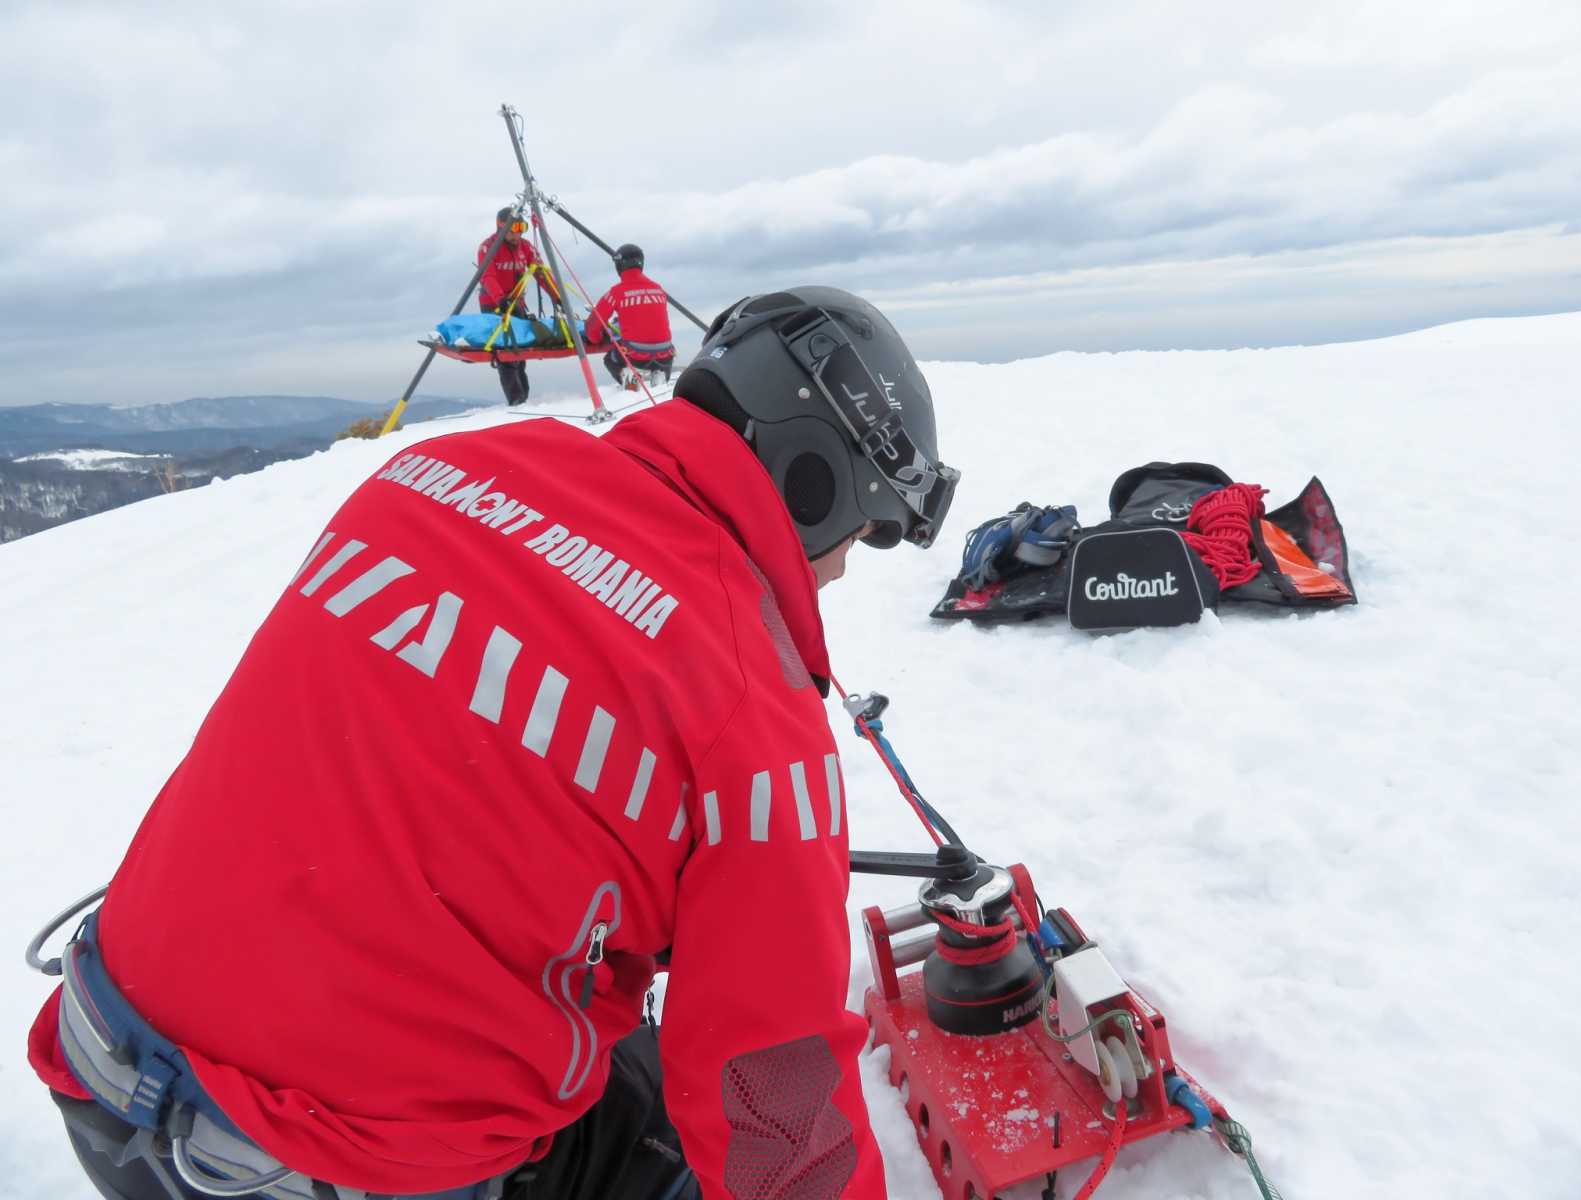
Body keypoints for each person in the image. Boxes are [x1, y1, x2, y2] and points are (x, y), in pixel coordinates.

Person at [26, 286, 960, 1200]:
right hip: (329, 1164)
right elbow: (774, 1119)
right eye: (861, 535)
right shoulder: (755, 726)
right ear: (815, 486)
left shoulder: (438, 476)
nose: (839, 569)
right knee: (661, 1134)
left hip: (99, 1049)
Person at [477, 207, 560, 407]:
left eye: (522, 227)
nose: (519, 233)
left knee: (521, 352)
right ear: (502, 228)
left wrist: (557, 296)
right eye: (515, 228)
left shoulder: (525, 247)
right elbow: (488, 276)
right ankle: (516, 400)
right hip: (495, 305)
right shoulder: (488, 248)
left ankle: (524, 398)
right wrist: (500, 299)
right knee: (506, 355)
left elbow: (541, 273)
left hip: (517, 303)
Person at [582, 244, 676, 388]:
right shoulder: (658, 289)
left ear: (620, 265)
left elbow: (592, 328)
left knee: (610, 359)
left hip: (635, 356)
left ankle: (630, 382)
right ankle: (659, 376)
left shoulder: (616, 292)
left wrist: (597, 339)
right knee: (657, 353)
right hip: (666, 356)